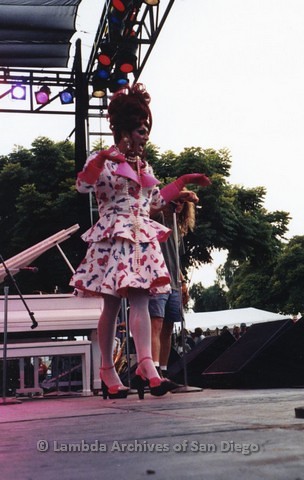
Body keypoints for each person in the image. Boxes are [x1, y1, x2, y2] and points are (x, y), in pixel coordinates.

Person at [70, 83, 210, 400]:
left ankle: (146, 365)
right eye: (141, 130)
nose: (145, 135)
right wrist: (102, 158)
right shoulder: (103, 158)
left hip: (140, 236)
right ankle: (107, 369)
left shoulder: (142, 165)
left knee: (142, 300)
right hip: (114, 232)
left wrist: (183, 182)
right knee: (112, 304)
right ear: (126, 130)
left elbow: (155, 201)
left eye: (146, 129)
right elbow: (82, 186)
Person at [149, 195, 197, 379]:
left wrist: (183, 281)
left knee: (168, 327)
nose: (179, 205)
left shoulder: (177, 228)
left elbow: (177, 258)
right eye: (177, 201)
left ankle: (164, 369)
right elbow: (153, 210)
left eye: (183, 203)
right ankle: (154, 371)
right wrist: (166, 201)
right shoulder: (160, 219)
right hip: (158, 278)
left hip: (174, 282)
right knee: (157, 324)